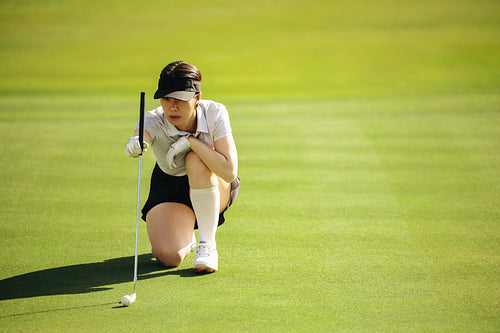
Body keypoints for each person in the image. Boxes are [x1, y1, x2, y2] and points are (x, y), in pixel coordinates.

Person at [124, 61, 239, 273]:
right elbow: (142, 133)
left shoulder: (215, 112)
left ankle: (207, 246)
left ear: (197, 98)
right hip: (169, 186)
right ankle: (184, 236)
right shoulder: (153, 119)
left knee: (195, 159)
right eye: (166, 99)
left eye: (180, 100)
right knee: (169, 257)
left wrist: (192, 142)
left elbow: (229, 172)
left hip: (214, 181)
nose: (172, 107)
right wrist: (137, 142)